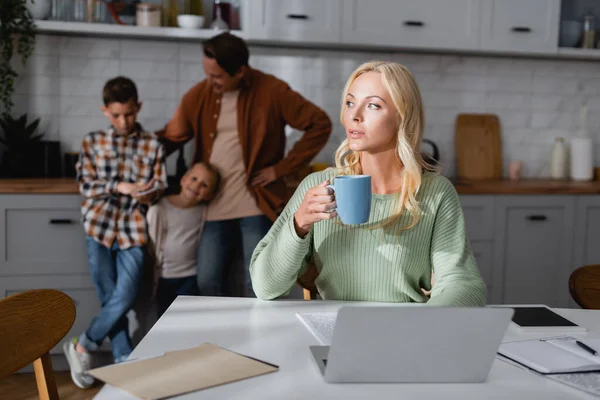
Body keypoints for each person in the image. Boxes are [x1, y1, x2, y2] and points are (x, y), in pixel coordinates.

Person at [249, 61, 487, 306]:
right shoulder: (319, 186)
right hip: (335, 329)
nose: (355, 115)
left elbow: (463, 284)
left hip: (404, 333)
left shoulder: (435, 192)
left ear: (403, 116)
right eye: (350, 103)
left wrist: (422, 326)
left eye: (373, 105)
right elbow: (265, 287)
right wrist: (299, 223)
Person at [157, 32, 332, 297]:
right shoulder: (200, 94)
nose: (210, 82)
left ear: (239, 71)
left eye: (217, 76)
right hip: (214, 205)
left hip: (256, 203)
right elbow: (173, 135)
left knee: (259, 284)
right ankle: (216, 338)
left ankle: (258, 337)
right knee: (208, 281)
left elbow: (319, 123)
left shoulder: (272, 90)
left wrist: (281, 168)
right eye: (208, 74)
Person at [64, 76, 167, 389]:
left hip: (133, 229)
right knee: (110, 296)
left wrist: (147, 192)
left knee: (124, 294)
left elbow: (160, 184)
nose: (124, 121)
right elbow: (85, 185)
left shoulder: (152, 143)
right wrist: (118, 186)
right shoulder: (93, 141)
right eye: (117, 115)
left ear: (138, 108)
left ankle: (83, 345)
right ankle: (123, 358)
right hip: (98, 227)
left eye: (130, 113)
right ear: (105, 111)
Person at [147, 162, 220, 318]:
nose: (196, 185)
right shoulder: (160, 209)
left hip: (190, 276)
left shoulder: (204, 211)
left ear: (210, 195)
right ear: (183, 179)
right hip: (165, 277)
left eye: (204, 185)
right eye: (194, 178)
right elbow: (153, 244)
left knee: (187, 319)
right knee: (164, 321)